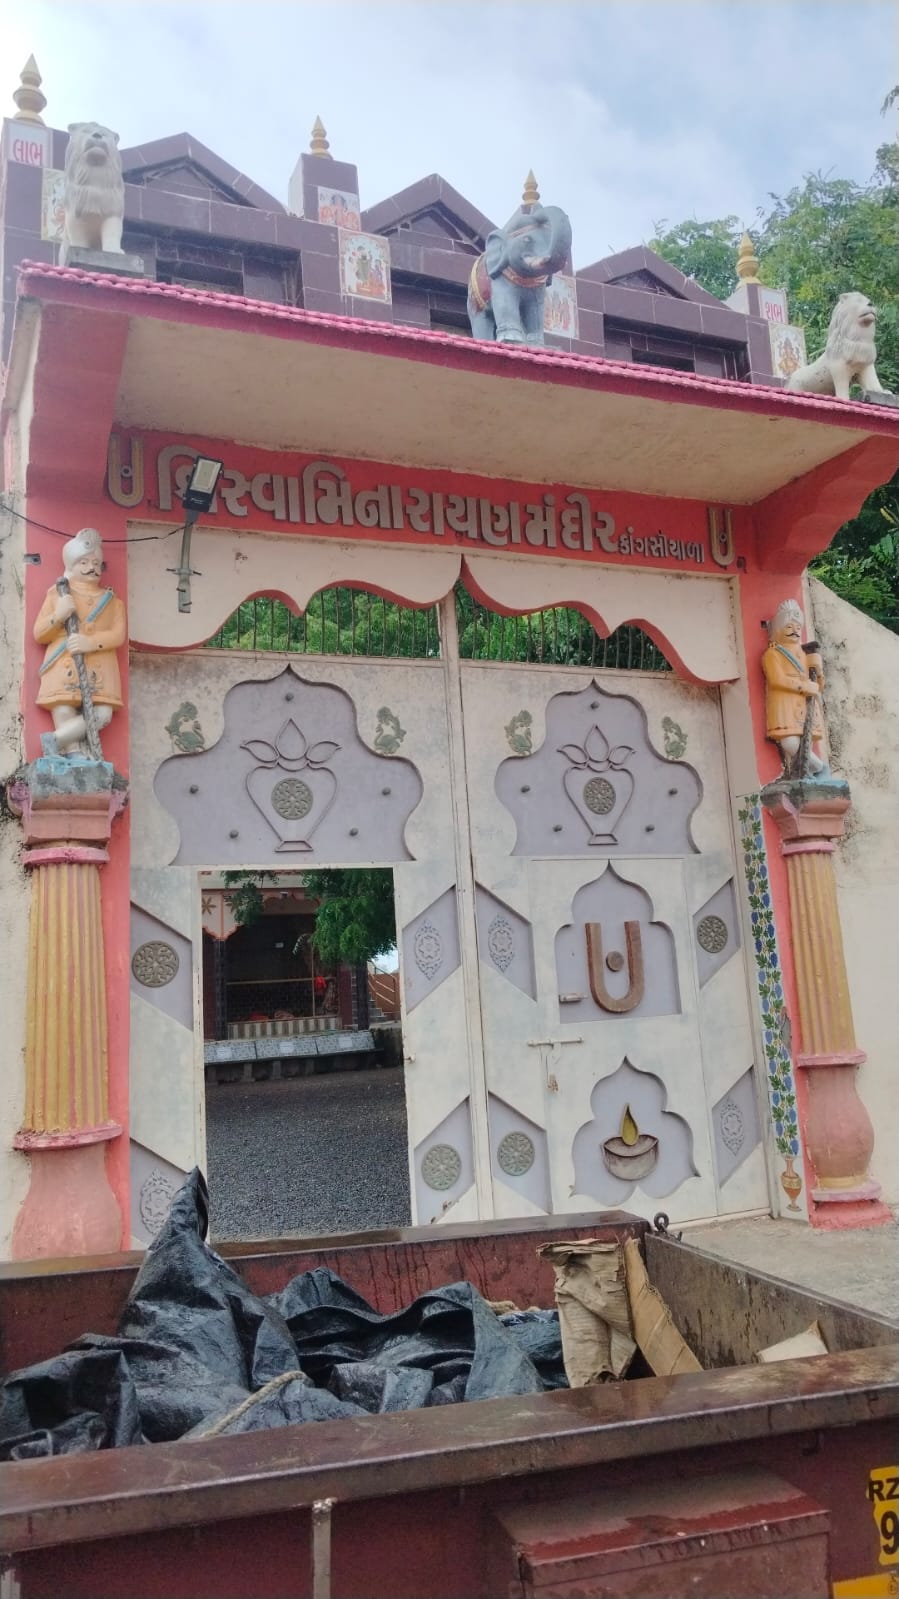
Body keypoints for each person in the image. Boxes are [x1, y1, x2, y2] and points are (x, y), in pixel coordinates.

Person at [34, 527, 126, 757]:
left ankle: (54, 740)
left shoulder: (113, 601)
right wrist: (59, 615)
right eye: (83, 562)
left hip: (100, 669)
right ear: (70, 566)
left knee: (102, 714)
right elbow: (39, 633)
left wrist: (90, 642)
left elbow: (117, 635)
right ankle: (73, 755)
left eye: (96, 562)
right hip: (63, 663)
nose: (91, 567)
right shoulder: (58, 593)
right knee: (63, 709)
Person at [762, 599, 827, 776]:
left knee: (805, 741)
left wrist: (818, 671)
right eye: (789, 627)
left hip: (804, 705)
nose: (795, 631)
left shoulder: (806, 654)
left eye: (798, 627)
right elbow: (777, 679)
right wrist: (803, 686)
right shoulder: (773, 653)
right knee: (789, 742)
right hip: (784, 703)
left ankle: (810, 774)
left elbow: (818, 686)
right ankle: (820, 769)